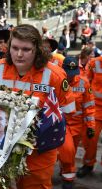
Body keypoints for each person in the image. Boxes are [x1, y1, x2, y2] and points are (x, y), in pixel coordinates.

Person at [0, 24, 75, 189]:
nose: (19, 54)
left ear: (37, 49)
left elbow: (67, 112)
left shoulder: (55, 75)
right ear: (9, 46)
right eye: (15, 48)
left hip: (38, 151)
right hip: (0, 145)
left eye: (26, 49)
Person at [58, 56, 95, 188]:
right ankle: (68, 178)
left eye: (73, 74)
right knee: (67, 151)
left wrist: (91, 126)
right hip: (60, 124)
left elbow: (89, 106)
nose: (70, 77)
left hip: (77, 126)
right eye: (68, 73)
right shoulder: (57, 80)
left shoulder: (83, 83)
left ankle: (65, 170)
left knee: (70, 152)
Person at [76, 49, 102, 178]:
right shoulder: (94, 63)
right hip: (96, 108)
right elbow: (86, 82)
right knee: (90, 138)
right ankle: (88, 164)